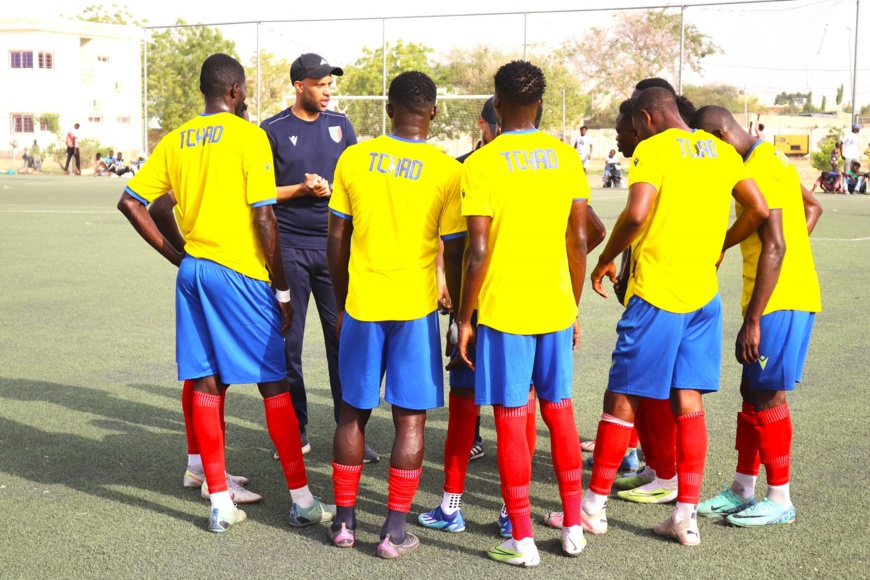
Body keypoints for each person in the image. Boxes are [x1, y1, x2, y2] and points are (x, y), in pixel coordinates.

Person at [116, 53, 334, 533]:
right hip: (241, 274)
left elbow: (132, 202)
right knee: (273, 382)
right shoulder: (249, 136)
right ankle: (302, 500)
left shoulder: (175, 139)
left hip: (195, 273)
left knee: (207, 382)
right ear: (234, 91)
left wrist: (177, 255)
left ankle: (218, 502)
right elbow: (264, 217)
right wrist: (282, 290)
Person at [585, 87, 769, 546]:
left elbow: (636, 215)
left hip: (657, 294)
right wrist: (720, 245)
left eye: (635, 125)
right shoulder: (721, 152)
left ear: (647, 118)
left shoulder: (654, 149)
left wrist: (606, 258)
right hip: (704, 298)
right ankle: (685, 518)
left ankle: (591, 510)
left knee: (622, 397)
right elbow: (759, 209)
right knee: (690, 401)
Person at [453, 60, 590, 566]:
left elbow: (478, 252)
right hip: (554, 306)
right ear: (541, 103)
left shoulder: (482, 163)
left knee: (512, 420)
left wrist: (464, 318)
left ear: (497, 101)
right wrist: (572, 307)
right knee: (560, 413)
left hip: (505, 311)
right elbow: (579, 241)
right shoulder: (566, 157)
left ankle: (523, 539)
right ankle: (573, 527)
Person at [325, 71, 465, 559]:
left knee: (352, 411)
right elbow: (455, 250)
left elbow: (335, 240)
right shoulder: (447, 170)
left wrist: (342, 302)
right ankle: (393, 533)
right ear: (434, 112)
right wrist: (460, 314)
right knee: (410, 421)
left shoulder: (354, 158)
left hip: (362, 305)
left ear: (388, 109)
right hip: (415, 309)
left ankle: (343, 523)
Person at [691, 105, 822, 528]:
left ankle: (780, 498)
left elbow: (776, 244)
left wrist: (753, 320)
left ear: (719, 136)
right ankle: (742, 488)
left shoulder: (759, 169)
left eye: (708, 147)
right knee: (752, 389)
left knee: (767, 396)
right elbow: (812, 208)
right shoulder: (768, 157)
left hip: (779, 300)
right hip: (779, 292)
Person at [260, 53, 378, 461]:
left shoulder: (341, 124)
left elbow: (357, 182)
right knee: (288, 343)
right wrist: (300, 189)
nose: (328, 91)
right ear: (299, 86)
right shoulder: (272, 129)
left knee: (343, 339)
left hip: (334, 249)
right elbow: (259, 193)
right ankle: (297, 429)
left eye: (330, 84)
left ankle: (350, 432)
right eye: (320, 84)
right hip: (289, 248)